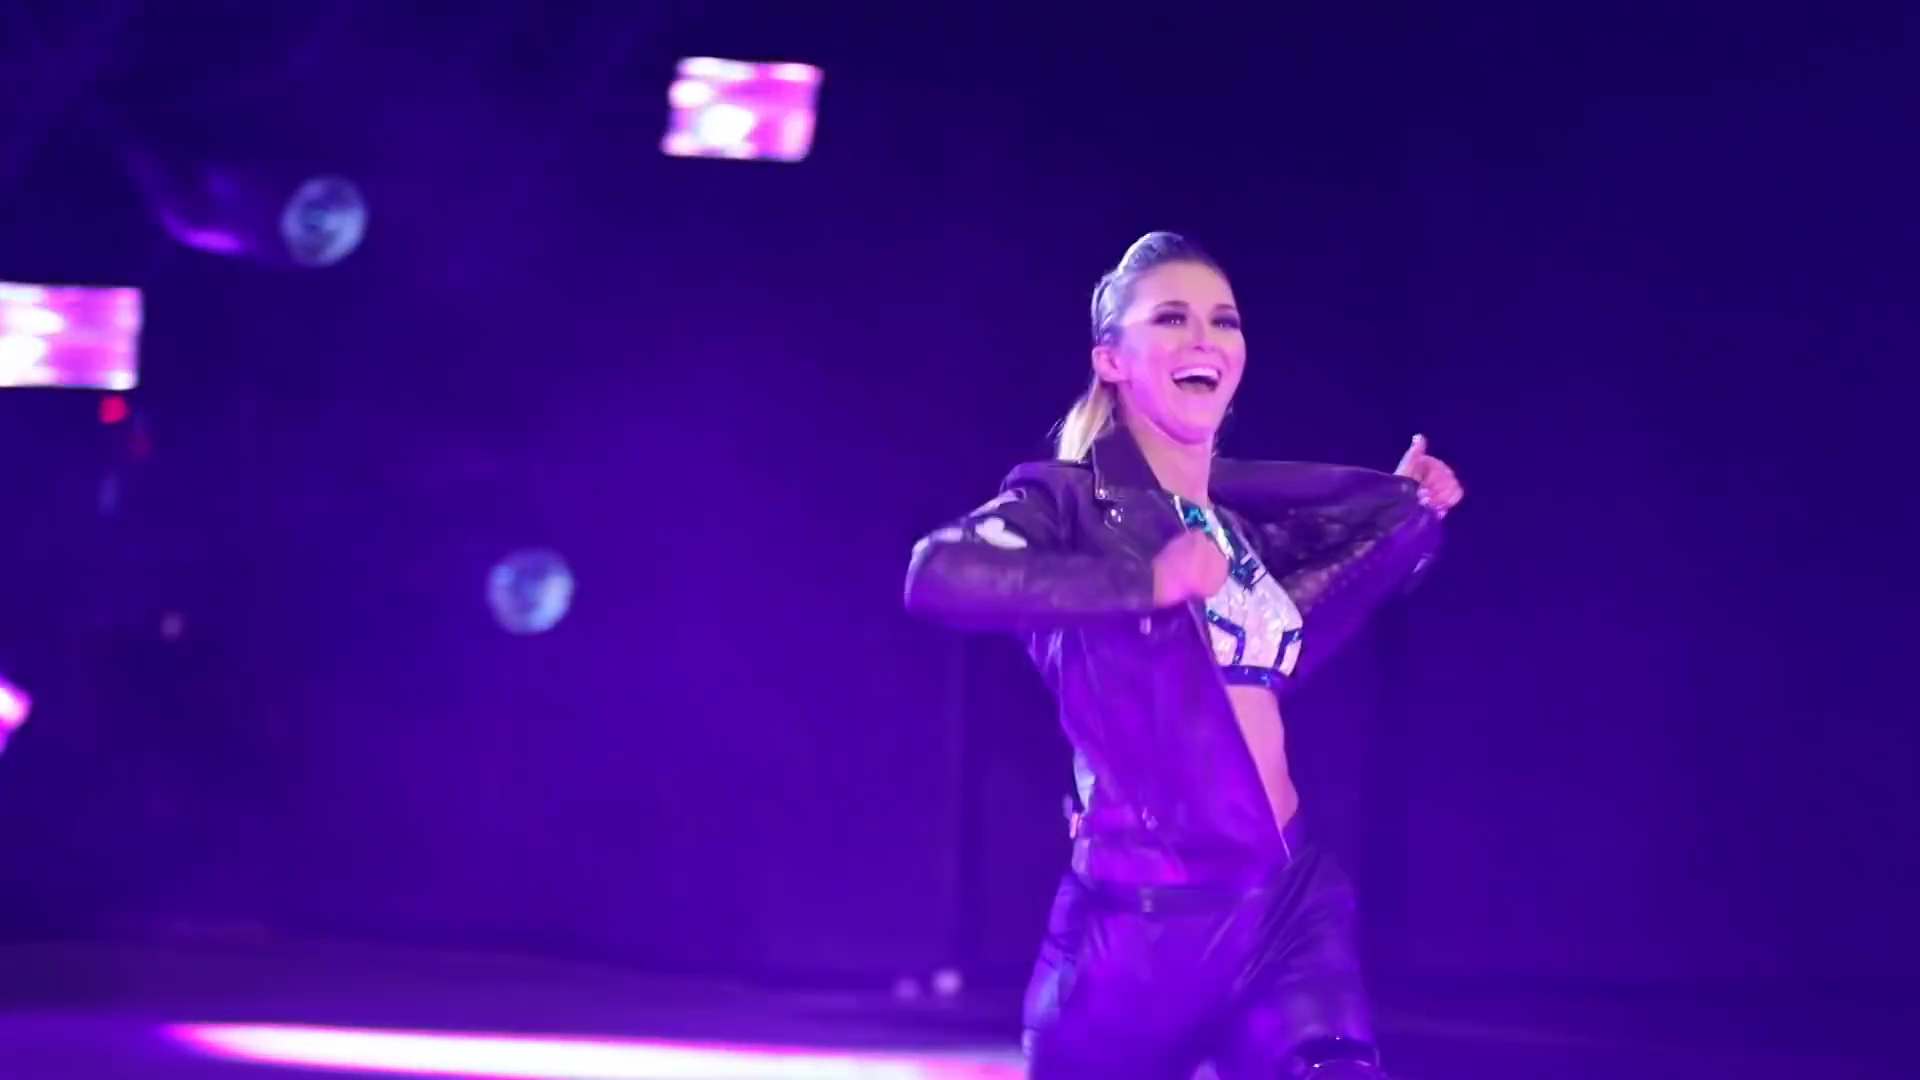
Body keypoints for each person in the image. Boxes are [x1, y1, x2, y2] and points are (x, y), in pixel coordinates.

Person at [903, 231, 1463, 1079]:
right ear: (1112, 361)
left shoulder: (1233, 530)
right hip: (1141, 928)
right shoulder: (1067, 503)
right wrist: (1145, 582)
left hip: (1285, 903)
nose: (1206, 339)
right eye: (1172, 318)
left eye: (1223, 321)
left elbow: (1310, 617)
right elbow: (939, 573)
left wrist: (1405, 514)